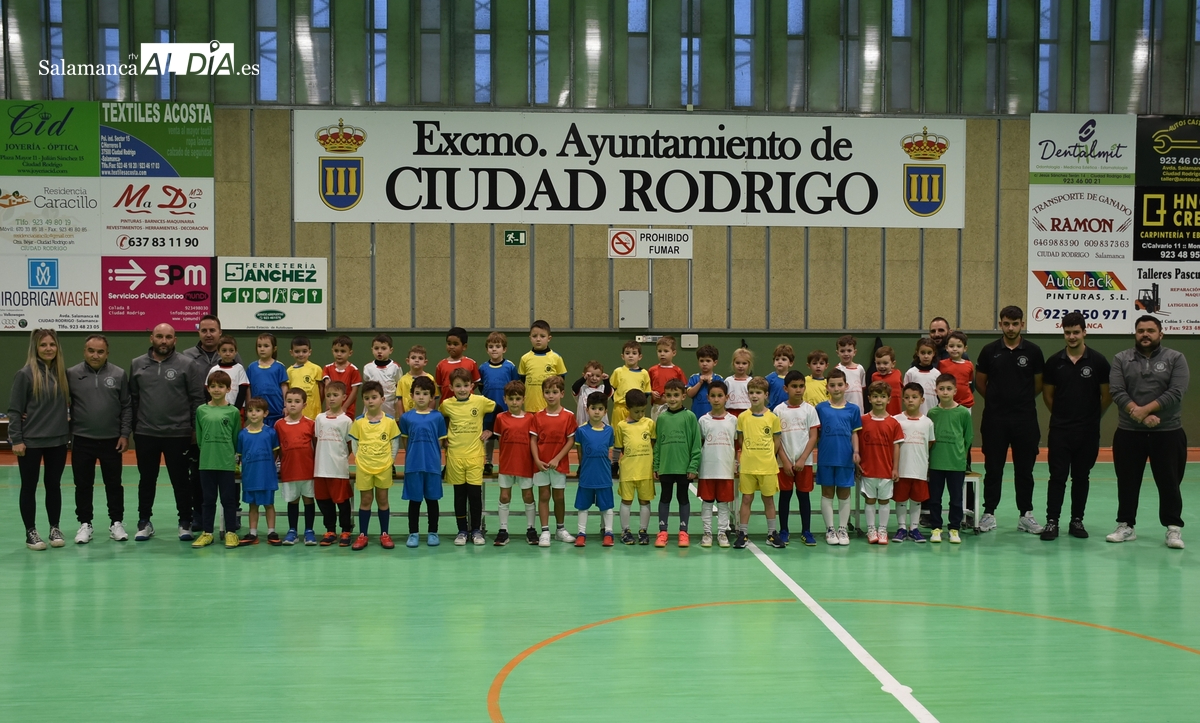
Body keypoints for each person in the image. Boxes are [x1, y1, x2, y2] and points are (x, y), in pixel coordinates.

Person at [1107, 316, 1189, 549]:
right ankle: (1126, 525)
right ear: (1135, 334)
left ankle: (1173, 528)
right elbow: (1117, 390)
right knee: (1127, 481)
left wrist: (1145, 410)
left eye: (1150, 331)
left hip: (1168, 432)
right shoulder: (1121, 359)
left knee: (1170, 482)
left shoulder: (1176, 358)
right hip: (1129, 432)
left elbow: (1176, 392)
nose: (1145, 334)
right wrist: (1138, 413)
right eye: (1141, 330)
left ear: (1160, 334)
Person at [130, 323, 207, 542]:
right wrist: (135, 427)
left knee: (181, 480)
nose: (164, 341)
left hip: (178, 433)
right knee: (147, 480)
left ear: (175, 340)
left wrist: (194, 429)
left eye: (169, 337)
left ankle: (185, 522)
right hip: (146, 433)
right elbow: (133, 400)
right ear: (151, 338)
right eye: (160, 336)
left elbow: (197, 400)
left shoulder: (187, 364)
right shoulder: (137, 364)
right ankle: (144, 521)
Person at [1041, 312, 1111, 541]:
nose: (1071, 336)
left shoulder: (1098, 361)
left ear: (1084, 332)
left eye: (1076, 332)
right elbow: (1048, 395)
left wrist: (1090, 418)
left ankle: (1077, 520)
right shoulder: (1054, 362)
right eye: (1067, 332)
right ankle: (1052, 521)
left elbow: (1106, 396)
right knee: (1057, 476)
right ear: (1064, 333)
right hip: (1060, 431)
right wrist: (1063, 416)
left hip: (1088, 432)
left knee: (1082, 477)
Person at [975, 305, 1045, 534]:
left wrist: (1018, 401)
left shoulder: (1034, 351)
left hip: (1025, 419)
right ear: (1001, 323)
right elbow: (981, 383)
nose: (1011, 328)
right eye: (1006, 323)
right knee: (993, 468)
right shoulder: (989, 351)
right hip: (995, 419)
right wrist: (998, 400)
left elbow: (1037, 385)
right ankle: (989, 513)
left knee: (1025, 470)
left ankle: (1026, 514)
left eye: (1015, 324)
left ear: (1022, 324)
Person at [9, 329, 71, 550]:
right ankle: (31, 532)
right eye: (43, 345)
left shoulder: (63, 374)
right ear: (35, 348)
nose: (48, 349)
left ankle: (54, 527)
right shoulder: (24, 374)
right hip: (31, 442)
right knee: (29, 486)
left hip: (58, 441)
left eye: (52, 345)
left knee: (53, 485)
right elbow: (15, 411)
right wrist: (16, 439)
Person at [67, 334, 131, 544]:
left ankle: (116, 523)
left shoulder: (119, 374)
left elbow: (126, 406)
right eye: (91, 351)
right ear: (84, 351)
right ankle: (85, 524)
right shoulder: (71, 374)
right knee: (83, 484)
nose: (95, 355)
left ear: (107, 353)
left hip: (111, 440)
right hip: (82, 440)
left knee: (114, 484)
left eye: (100, 351)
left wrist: (124, 434)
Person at [441, 368, 495, 546]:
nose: (462, 389)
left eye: (465, 385)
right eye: (458, 386)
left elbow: (500, 409)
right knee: (459, 495)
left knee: (474, 495)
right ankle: (462, 530)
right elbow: (438, 419)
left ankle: (477, 530)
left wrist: (491, 430)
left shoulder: (480, 402)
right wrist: (444, 438)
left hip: (474, 456)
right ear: (451, 387)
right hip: (455, 456)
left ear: (472, 386)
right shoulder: (447, 404)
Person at [349, 381, 401, 550]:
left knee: (382, 499)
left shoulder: (390, 422)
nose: (370, 401)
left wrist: (389, 462)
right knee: (365, 500)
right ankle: (363, 534)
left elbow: (394, 444)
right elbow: (355, 445)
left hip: (383, 467)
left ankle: (384, 533)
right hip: (364, 468)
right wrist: (361, 461)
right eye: (366, 398)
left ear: (382, 399)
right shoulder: (358, 422)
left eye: (374, 397)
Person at [734, 377, 784, 549]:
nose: (754, 396)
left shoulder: (773, 418)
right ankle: (743, 533)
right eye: (751, 392)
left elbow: (776, 441)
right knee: (746, 498)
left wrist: (767, 455)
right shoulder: (742, 417)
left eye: (758, 393)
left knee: (768, 500)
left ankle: (771, 533)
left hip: (768, 467)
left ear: (766, 395)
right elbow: (741, 439)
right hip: (748, 466)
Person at [193, 370, 241, 549]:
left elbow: (235, 438)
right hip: (207, 462)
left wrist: (231, 456)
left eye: (221, 386)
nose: (216, 389)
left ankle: (231, 532)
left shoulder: (233, 411)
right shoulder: (201, 410)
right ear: (208, 388)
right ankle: (207, 533)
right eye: (213, 386)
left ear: (229, 388)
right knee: (208, 500)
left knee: (228, 500)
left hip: (226, 463)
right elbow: (199, 438)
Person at [652, 379, 701, 547]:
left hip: (683, 468)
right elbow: (658, 443)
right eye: (669, 395)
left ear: (683, 396)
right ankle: (662, 532)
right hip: (666, 466)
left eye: (676, 395)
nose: (672, 399)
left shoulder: (690, 417)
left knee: (683, 498)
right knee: (665, 498)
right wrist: (656, 465)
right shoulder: (662, 418)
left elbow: (696, 444)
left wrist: (693, 466)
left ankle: (683, 532)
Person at [530, 376, 577, 546]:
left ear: (562, 394)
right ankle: (544, 531)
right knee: (543, 495)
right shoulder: (537, 417)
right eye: (547, 392)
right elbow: (533, 440)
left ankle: (560, 529)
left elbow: (570, 440)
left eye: (555, 392)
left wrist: (557, 458)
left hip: (559, 465)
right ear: (543, 394)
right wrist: (536, 460)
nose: (551, 396)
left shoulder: (568, 416)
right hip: (541, 465)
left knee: (559, 496)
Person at [816, 369, 861, 546]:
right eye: (832, 385)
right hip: (826, 458)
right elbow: (815, 434)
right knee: (827, 493)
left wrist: (856, 451)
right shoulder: (820, 408)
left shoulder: (853, 409)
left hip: (845, 458)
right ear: (827, 387)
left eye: (840, 385)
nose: (836, 388)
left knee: (844, 493)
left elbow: (855, 434)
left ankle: (842, 528)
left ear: (846, 386)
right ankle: (830, 529)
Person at [774, 371, 820, 546]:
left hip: (804, 463)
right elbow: (776, 439)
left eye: (801, 386)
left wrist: (802, 459)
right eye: (794, 386)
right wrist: (785, 460)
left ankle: (806, 531)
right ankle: (784, 530)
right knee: (785, 496)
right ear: (786, 388)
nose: (798, 389)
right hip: (783, 463)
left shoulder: (810, 410)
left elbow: (813, 437)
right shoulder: (778, 410)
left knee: (804, 496)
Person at [400, 376, 447, 547]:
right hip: (413, 465)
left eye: (425, 394)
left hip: (432, 465)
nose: (421, 397)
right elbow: (406, 442)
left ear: (432, 397)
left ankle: (433, 532)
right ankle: (413, 533)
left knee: (432, 500)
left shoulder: (437, 417)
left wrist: (431, 455)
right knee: (415, 501)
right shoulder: (406, 418)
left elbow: (440, 441)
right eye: (418, 393)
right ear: (411, 395)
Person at [927, 374, 973, 544]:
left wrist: (961, 456)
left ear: (955, 390)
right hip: (937, 463)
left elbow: (968, 437)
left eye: (948, 389)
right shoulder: (932, 413)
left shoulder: (962, 413)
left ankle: (954, 528)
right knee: (935, 498)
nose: (945, 392)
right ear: (936, 391)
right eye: (941, 389)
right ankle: (936, 528)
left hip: (956, 464)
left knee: (956, 498)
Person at [493, 381, 539, 546]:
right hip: (506, 464)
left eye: (518, 398)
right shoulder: (500, 418)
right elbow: (500, 440)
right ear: (505, 399)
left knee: (528, 495)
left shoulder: (530, 418)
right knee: (504, 496)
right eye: (511, 398)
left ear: (523, 399)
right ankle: (503, 530)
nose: (514, 402)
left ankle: (531, 529)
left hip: (525, 464)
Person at [859, 381, 903, 545]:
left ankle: (882, 530)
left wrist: (895, 468)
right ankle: (871, 529)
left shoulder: (893, 423)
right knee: (870, 500)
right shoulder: (863, 420)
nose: (879, 400)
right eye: (876, 396)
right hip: (868, 469)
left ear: (889, 399)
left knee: (884, 501)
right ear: (869, 398)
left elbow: (896, 446)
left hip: (886, 469)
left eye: (883, 397)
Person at [314, 381, 355, 546]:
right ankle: (330, 529)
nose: (331, 398)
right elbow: (317, 440)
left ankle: (346, 530)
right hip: (320, 468)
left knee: (342, 502)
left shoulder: (346, 421)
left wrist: (340, 457)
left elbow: (349, 444)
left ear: (344, 397)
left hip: (338, 469)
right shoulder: (320, 418)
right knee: (324, 501)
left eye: (335, 395)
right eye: (329, 395)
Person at [892, 383, 934, 543]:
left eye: (914, 397)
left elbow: (930, 443)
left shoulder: (927, 422)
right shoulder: (896, 420)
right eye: (907, 397)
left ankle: (914, 528)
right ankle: (901, 528)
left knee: (917, 500)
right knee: (901, 499)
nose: (911, 400)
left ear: (922, 400)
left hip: (919, 468)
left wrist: (926, 463)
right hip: (902, 468)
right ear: (903, 399)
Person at [697, 381, 737, 548]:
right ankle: (707, 532)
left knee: (723, 503)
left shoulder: (733, 420)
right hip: (707, 469)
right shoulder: (703, 420)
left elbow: (737, 443)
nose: (716, 399)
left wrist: (736, 463)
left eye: (720, 396)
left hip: (725, 469)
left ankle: (722, 532)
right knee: (707, 502)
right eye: (713, 396)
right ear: (708, 398)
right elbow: (700, 443)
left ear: (726, 397)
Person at [573, 393, 616, 547]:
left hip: (604, 477)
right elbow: (580, 454)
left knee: (607, 506)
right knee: (583, 506)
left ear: (605, 411)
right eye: (593, 408)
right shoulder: (581, 431)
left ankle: (609, 532)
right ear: (587, 409)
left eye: (600, 409)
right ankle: (581, 533)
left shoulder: (609, 431)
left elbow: (609, 454)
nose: (596, 412)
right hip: (587, 476)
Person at [276, 388, 317, 546]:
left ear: (304, 404)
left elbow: (316, 446)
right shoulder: (279, 425)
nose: (293, 405)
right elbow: (278, 448)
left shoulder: (311, 424)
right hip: (289, 470)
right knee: (292, 501)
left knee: (308, 500)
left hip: (307, 470)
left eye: (297, 401)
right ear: (285, 403)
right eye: (289, 401)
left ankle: (309, 531)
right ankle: (292, 530)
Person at [614, 389, 655, 545]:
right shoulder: (621, 426)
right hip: (628, 471)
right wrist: (615, 465)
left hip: (645, 471)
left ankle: (643, 530)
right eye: (637, 411)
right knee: (626, 501)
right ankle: (625, 531)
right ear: (627, 408)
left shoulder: (649, 423)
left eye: (643, 411)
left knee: (645, 501)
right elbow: (618, 448)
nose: (640, 414)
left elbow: (653, 443)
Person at [236, 398, 280, 545]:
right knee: (252, 506)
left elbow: (275, 453)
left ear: (265, 413)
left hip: (266, 477)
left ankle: (271, 532)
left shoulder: (271, 433)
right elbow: (241, 455)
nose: (253, 414)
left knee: (269, 505)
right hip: (250, 477)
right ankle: (253, 533)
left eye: (258, 410)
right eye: (250, 411)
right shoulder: (242, 434)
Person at [480, 331, 519, 474]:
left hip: (505, 410)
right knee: (489, 438)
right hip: (489, 411)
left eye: (497, 346)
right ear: (487, 349)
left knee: (504, 438)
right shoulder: (483, 368)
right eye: (491, 346)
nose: (494, 349)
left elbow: (516, 386)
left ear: (504, 349)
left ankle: (505, 461)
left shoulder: (510, 367)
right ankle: (488, 463)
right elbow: (481, 387)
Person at [519, 320, 567, 413]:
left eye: (542, 336)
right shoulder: (525, 358)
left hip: (550, 409)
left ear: (549, 338)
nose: (538, 339)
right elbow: (522, 382)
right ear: (530, 338)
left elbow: (561, 383)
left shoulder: (556, 358)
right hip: (530, 408)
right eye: (534, 336)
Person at [245, 333, 289, 427]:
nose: (262, 349)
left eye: (266, 346)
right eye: (259, 346)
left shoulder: (279, 367)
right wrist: (248, 405)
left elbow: (284, 386)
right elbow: (248, 388)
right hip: (258, 412)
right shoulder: (252, 367)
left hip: (276, 411)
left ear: (274, 349)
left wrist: (286, 406)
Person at [610, 340, 651, 426]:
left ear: (640, 356)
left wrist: (637, 405)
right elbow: (611, 391)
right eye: (627, 353)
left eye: (634, 353)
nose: (631, 356)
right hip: (620, 409)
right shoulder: (618, 371)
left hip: (636, 410)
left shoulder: (644, 373)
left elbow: (646, 393)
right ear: (622, 356)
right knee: (618, 433)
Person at [435, 326, 481, 404]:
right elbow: (439, 386)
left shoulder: (471, 363)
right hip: (447, 405)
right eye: (449, 344)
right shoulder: (440, 365)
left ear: (464, 347)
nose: (451, 347)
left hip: (467, 404)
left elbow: (475, 383)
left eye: (455, 344)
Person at [362, 333, 403, 418]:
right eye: (376, 348)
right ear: (372, 349)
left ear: (390, 350)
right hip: (372, 404)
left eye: (383, 348)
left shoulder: (395, 367)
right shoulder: (368, 368)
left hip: (390, 405)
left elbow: (399, 385)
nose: (379, 351)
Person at [323, 335, 362, 420]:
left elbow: (354, 391)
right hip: (331, 408)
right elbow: (327, 387)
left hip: (347, 411)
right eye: (336, 351)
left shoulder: (353, 370)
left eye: (343, 351)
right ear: (332, 351)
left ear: (350, 353)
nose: (339, 354)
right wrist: (328, 405)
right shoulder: (327, 368)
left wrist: (344, 407)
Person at [648, 336, 687, 419]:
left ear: (674, 353)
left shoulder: (677, 371)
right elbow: (647, 387)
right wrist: (651, 392)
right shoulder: (652, 370)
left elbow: (684, 388)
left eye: (666, 351)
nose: (662, 354)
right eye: (659, 351)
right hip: (657, 406)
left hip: (673, 406)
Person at [287, 336, 324, 420]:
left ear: (309, 352)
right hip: (296, 414)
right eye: (297, 351)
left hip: (313, 414)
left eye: (304, 351)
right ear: (291, 352)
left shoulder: (316, 369)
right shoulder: (289, 371)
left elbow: (321, 390)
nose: (301, 354)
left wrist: (317, 404)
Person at [208, 336, 249, 409]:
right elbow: (207, 390)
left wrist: (236, 409)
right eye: (224, 350)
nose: (227, 354)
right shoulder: (214, 370)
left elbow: (243, 390)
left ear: (236, 351)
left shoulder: (239, 369)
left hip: (236, 408)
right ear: (218, 352)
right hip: (217, 408)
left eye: (231, 350)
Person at [903, 337, 939, 415]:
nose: (926, 356)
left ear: (934, 353)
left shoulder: (937, 374)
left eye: (929, 353)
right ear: (917, 353)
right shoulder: (911, 373)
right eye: (923, 353)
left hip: (933, 413)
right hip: (915, 414)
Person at [571, 361, 613, 426]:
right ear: (584, 375)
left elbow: (608, 392)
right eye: (591, 375)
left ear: (602, 377)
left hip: (601, 428)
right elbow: (574, 387)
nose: (594, 378)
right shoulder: (582, 389)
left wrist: (606, 380)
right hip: (583, 427)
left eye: (598, 376)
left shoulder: (602, 388)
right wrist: (584, 378)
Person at [686, 345, 723, 418]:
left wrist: (711, 384)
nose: (704, 364)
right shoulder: (694, 377)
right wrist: (699, 383)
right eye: (702, 361)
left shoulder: (718, 378)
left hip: (714, 416)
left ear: (715, 363)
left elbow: (721, 395)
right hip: (697, 415)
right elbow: (690, 394)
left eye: (708, 361)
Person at [397, 345, 435, 416]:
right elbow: (399, 400)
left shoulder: (430, 378)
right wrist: (402, 416)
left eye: (420, 358)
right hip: (408, 417)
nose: (416, 360)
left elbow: (433, 399)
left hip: (425, 416)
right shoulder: (402, 380)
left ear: (425, 362)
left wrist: (429, 415)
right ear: (407, 361)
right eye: (413, 358)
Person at [835, 335, 867, 412]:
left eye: (849, 351)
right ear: (837, 353)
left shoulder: (860, 369)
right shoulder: (837, 370)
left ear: (854, 352)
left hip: (859, 411)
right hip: (843, 410)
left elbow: (862, 390)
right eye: (842, 351)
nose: (846, 354)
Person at [871, 346, 903, 416]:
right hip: (880, 414)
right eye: (878, 363)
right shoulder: (874, 377)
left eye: (885, 363)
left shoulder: (898, 373)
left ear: (893, 364)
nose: (881, 366)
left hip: (896, 413)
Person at [765, 344, 794, 410]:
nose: (780, 362)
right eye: (777, 359)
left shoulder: (793, 378)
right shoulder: (769, 378)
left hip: (789, 410)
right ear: (773, 362)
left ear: (791, 363)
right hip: (773, 411)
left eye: (784, 359)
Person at [725, 347, 753, 416]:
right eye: (737, 363)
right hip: (731, 412)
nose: (740, 366)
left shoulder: (751, 381)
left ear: (748, 365)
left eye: (744, 363)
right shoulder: (728, 381)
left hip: (748, 412)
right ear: (733, 363)